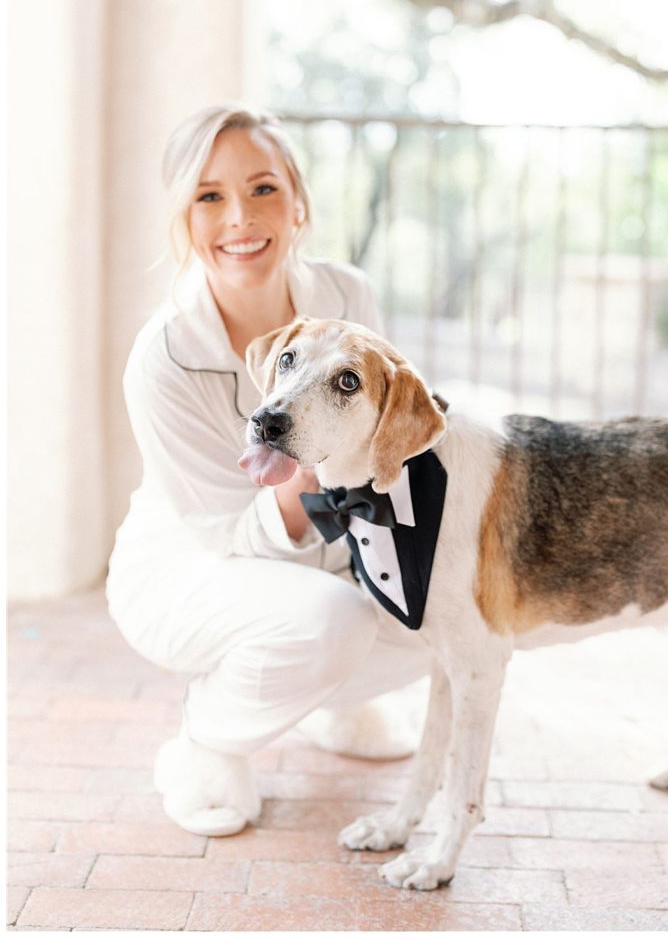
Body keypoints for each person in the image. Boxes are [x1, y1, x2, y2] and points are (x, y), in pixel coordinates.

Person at [106, 105, 431, 838]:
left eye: (261, 189)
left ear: (298, 201)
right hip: (188, 567)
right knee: (330, 621)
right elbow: (227, 533)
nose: (239, 219)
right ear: (184, 218)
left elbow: (390, 437)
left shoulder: (350, 297)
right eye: (209, 197)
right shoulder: (161, 358)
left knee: (445, 605)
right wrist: (307, 477)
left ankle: (332, 700)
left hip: (328, 549)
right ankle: (204, 742)